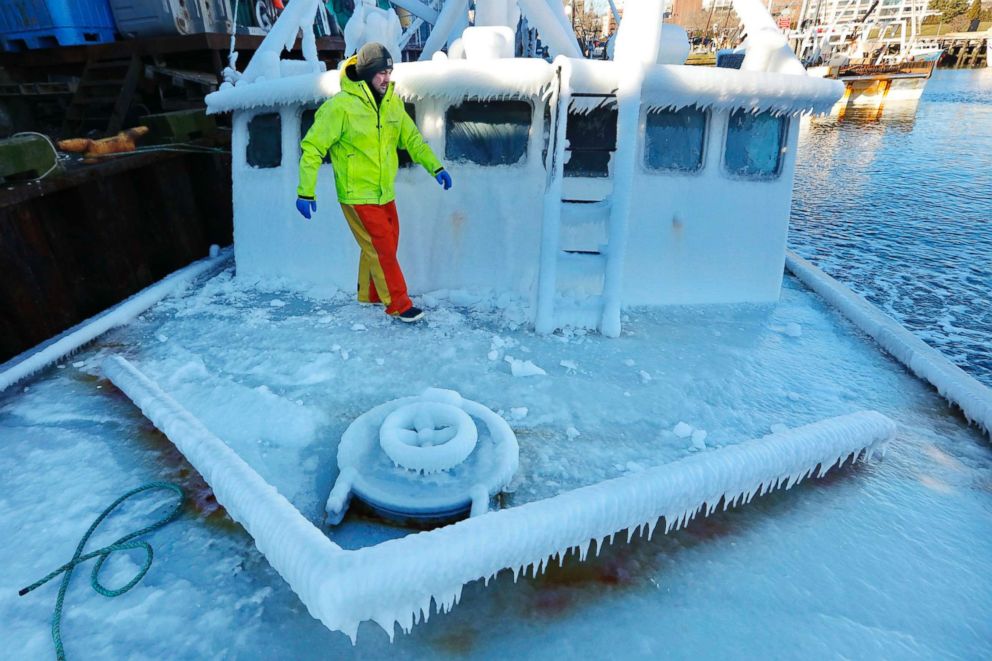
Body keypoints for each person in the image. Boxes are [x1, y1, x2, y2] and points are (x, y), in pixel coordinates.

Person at [295, 42, 452, 323]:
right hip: (357, 194)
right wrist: (306, 191)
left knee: (385, 244)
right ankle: (398, 304)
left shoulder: (392, 102)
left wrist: (435, 167)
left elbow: (412, 140)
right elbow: (312, 147)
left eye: (389, 71)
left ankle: (369, 293)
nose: (386, 78)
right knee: (382, 247)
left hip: (384, 191)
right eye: (380, 72)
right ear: (367, 73)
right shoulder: (340, 108)